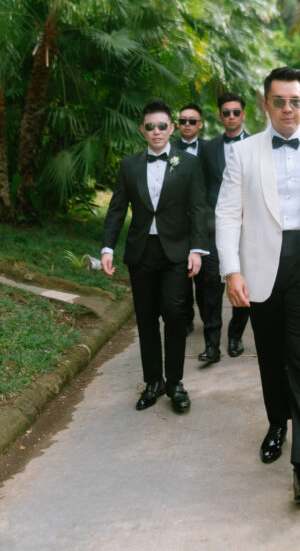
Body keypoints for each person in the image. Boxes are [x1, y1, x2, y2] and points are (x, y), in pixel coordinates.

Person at [215, 66, 300, 503]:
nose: (288, 109)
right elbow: (226, 214)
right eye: (280, 101)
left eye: (295, 101)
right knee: (271, 358)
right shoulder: (243, 153)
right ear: (265, 103)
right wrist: (232, 270)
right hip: (261, 268)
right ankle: (277, 424)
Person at [101, 100, 209, 413]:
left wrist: (197, 249)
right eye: (150, 126)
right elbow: (117, 209)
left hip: (176, 251)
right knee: (147, 320)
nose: (157, 132)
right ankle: (153, 382)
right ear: (143, 130)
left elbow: (200, 207)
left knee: (176, 315)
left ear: (172, 128)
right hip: (141, 252)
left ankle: (175, 383)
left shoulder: (188, 164)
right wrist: (108, 247)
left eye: (162, 126)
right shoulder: (129, 166)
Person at [197, 93, 252, 362]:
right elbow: (201, 187)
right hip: (213, 229)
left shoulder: (257, 145)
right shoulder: (207, 149)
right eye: (226, 113)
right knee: (210, 289)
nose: (231, 117)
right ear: (220, 117)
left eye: (236, 112)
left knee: (244, 284)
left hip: (248, 230)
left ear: (243, 115)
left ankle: (235, 336)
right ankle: (211, 345)